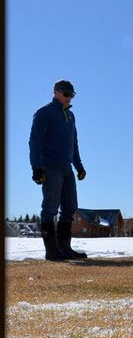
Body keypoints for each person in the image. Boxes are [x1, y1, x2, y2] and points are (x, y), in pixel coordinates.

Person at [29, 80, 88, 260]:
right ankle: (52, 251)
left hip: (67, 169)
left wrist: (79, 166)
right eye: (66, 94)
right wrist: (37, 168)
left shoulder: (71, 117)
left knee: (70, 207)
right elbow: (35, 142)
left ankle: (65, 249)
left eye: (72, 95)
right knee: (50, 208)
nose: (69, 98)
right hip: (51, 168)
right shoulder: (44, 113)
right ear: (56, 92)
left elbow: (73, 145)